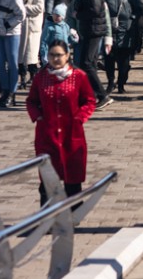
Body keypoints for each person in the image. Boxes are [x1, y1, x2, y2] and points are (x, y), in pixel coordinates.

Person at [25, 40, 97, 205]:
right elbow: (31, 101)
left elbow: (89, 101)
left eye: (59, 55)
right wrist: (38, 116)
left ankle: (73, 214)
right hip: (47, 135)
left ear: (67, 56)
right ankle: (47, 216)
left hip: (71, 135)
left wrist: (80, 118)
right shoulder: (41, 77)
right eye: (52, 55)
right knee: (47, 179)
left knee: (72, 179)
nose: (55, 59)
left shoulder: (79, 76)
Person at [76, 0, 112, 109]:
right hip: (91, 28)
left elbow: (95, 10)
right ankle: (89, 95)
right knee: (85, 64)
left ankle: (102, 95)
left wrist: (79, 13)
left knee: (87, 63)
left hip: (94, 29)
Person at [15, 0, 45, 91]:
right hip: (21, 27)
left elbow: (40, 7)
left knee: (31, 55)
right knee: (20, 56)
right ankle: (22, 78)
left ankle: (33, 77)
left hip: (32, 28)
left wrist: (24, 8)